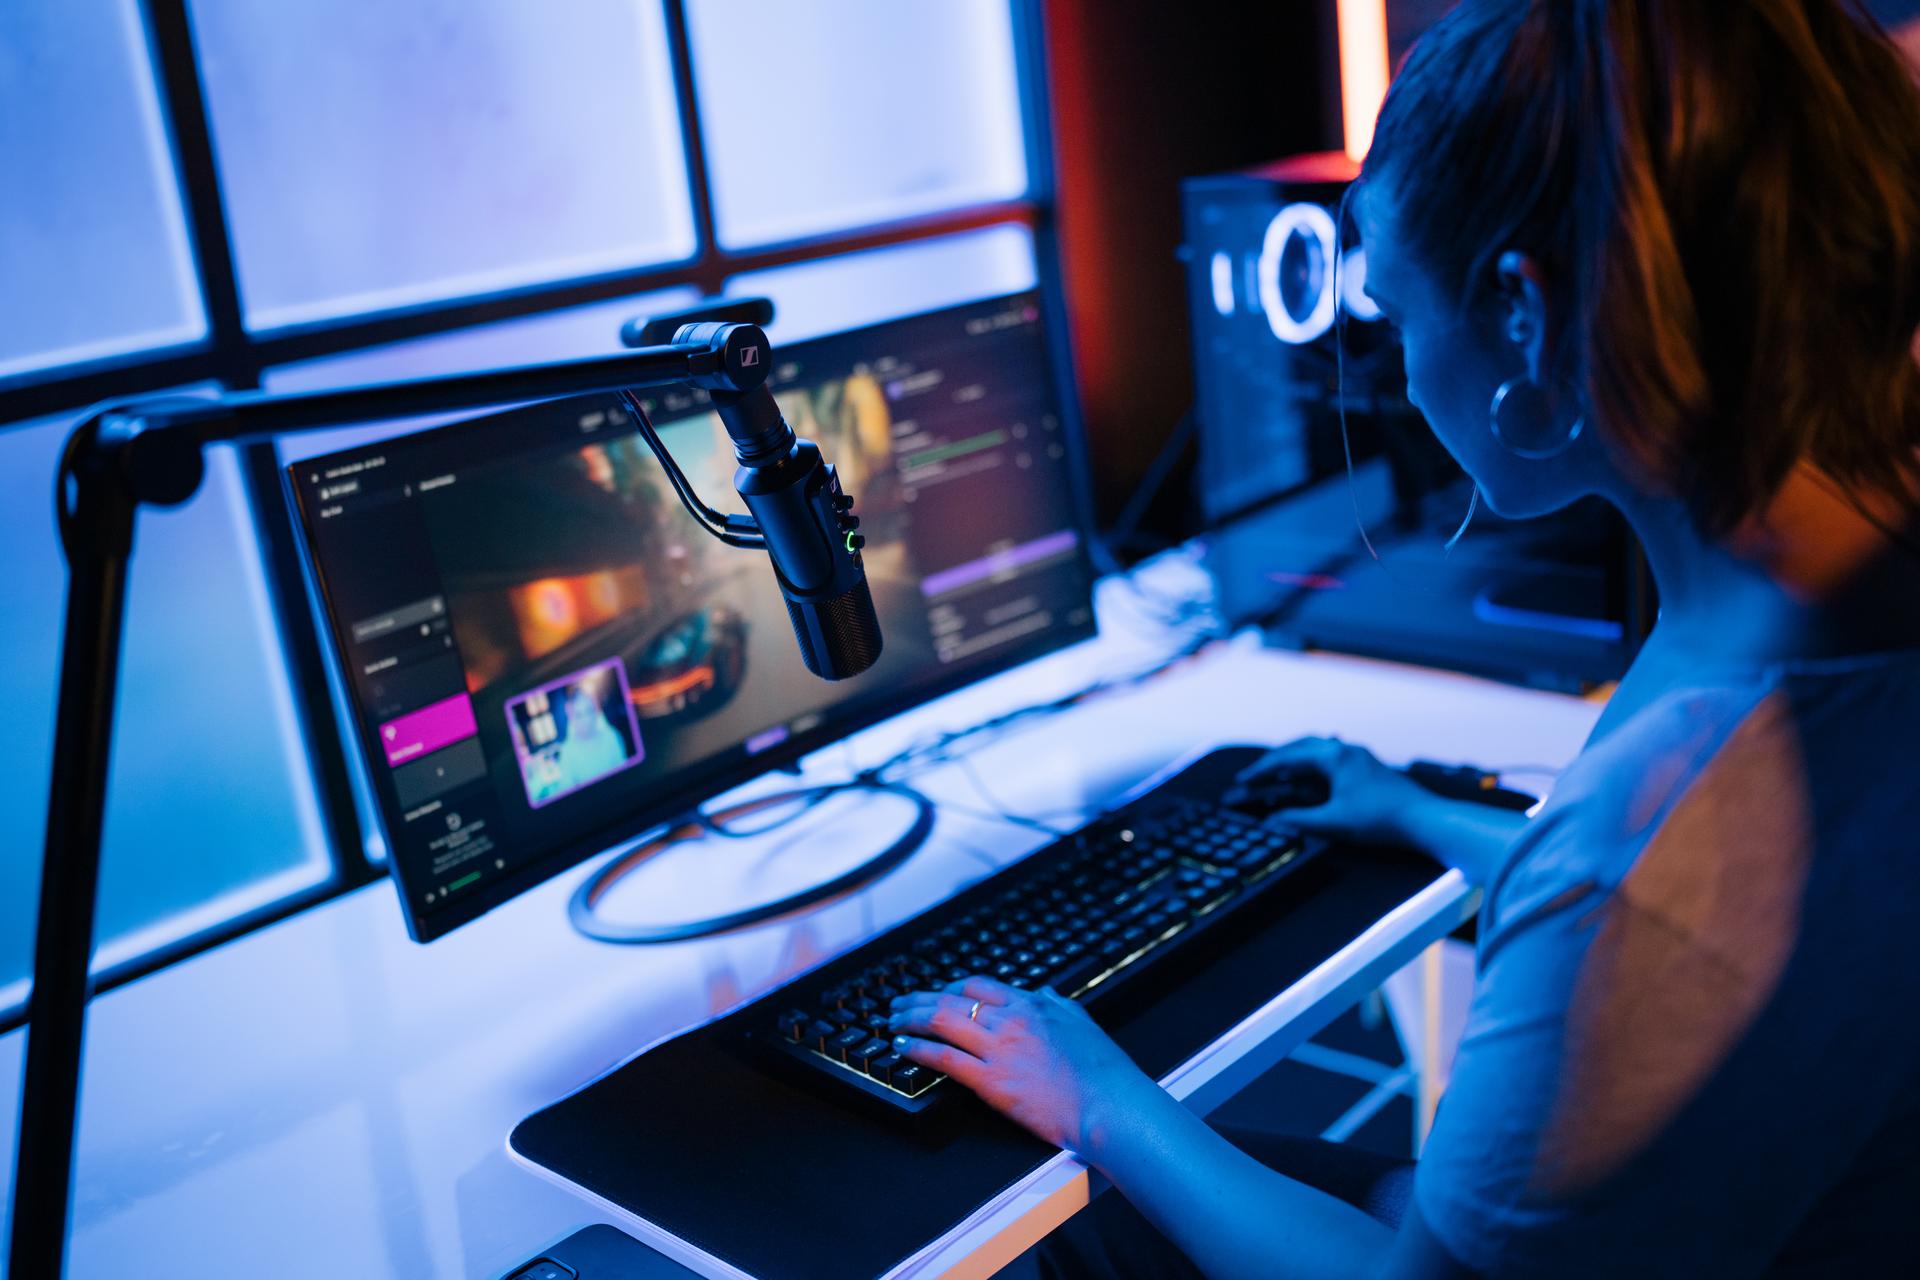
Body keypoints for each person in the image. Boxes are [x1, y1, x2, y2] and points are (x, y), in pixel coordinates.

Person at [886, 1, 1920, 1274]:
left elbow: (1644, 919)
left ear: (1522, 312)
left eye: (1392, 309)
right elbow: (1692, 939)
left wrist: (1097, 1096)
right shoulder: (1817, 591)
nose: (1401, 374)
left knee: (1067, 1224)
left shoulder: (1666, 835)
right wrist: (1419, 811)